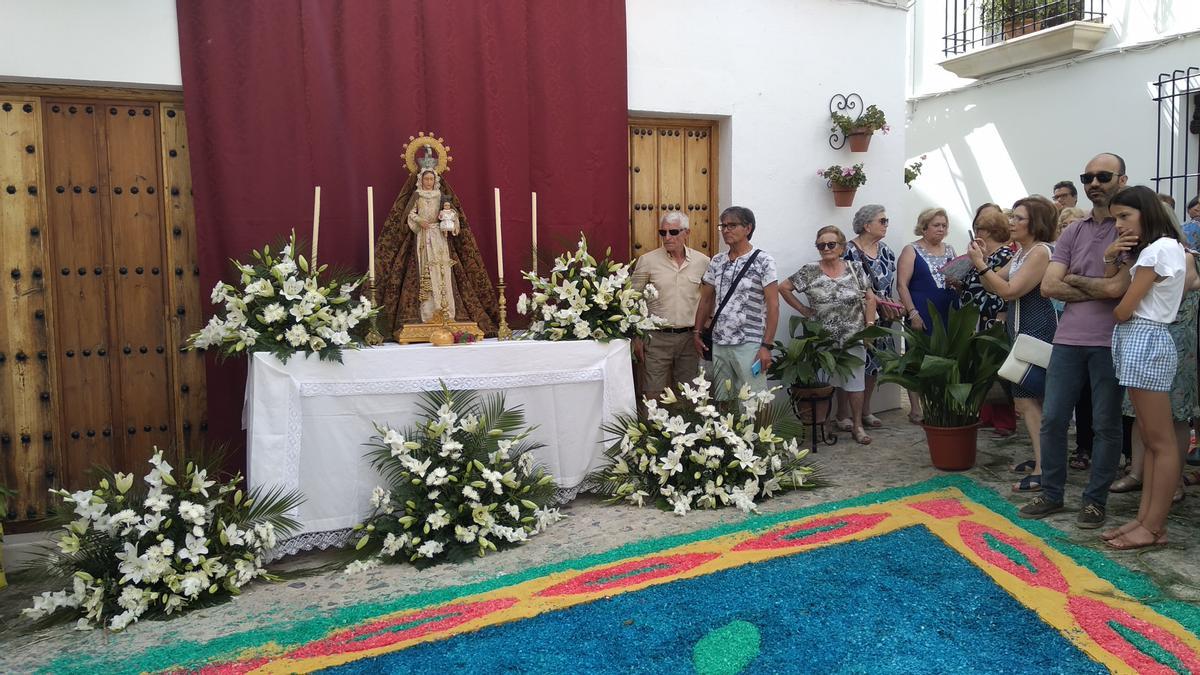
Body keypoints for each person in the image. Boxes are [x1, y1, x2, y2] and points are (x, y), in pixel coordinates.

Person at [1020, 153, 1129, 528]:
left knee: (1105, 425)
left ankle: (1095, 501)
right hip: (1067, 339)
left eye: (1103, 176)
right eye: (1088, 177)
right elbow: (1050, 286)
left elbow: (1122, 287)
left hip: (1110, 341)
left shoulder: (1129, 229)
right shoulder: (1073, 231)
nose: (1094, 183)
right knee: (1052, 420)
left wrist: (1080, 281)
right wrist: (1101, 286)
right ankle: (1051, 493)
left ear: (1122, 180)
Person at [1095, 186, 1188, 549]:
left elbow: (1121, 307)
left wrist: (1121, 302)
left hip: (1145, 339)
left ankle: (1153, 527)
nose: (1118, 224)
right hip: (1141, 340)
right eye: (1116, 217)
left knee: (1161, 442)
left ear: (1146, 214)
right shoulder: (1154, 250)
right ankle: (1145, 521)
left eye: (1124, 216)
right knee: (1150, 440)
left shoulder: (1159, 248)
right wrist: (1113, 261)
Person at [969, 197, 1057, 492]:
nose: (1011, 223)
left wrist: (981, 264)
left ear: (1036, 223)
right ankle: (1041, 460)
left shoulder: (1040, 252)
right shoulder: (1023, 253)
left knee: (1028, 400)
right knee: (1030, 400)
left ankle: (1045, 468)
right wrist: (982, 262)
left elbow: (1008, 291)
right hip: (1021, 329)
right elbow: (993, 282)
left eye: (1019, 218)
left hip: (1036, 329)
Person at [375, 163, 499, 335]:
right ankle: (427, 312)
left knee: (443, 270)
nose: (429, 181)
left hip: (440, 236)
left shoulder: (441, 195)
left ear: (436, 180)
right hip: (424, 237)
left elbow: (452, 213)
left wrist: (449, 220)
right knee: (426, 268)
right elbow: (409, 214)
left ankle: (446, 311)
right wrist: (420, 221)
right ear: (421, 180)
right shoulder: (417, 195)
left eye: (431, 178)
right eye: (426, 178)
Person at [781, 226, 878, 444]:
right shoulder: (810, 270)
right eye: (821, 245)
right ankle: (823, 425)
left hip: (853, 336)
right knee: (825, 384)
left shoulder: (855, 268)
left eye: (831, 244)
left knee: (855, 384)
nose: (826, 248)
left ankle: (857, 426)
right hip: (823, 340)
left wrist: (870, 326)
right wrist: (804, 311)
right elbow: (784, 288)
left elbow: (870, 298)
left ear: (842, 247)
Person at [693, 206, 779, 400]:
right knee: (725, 400)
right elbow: (706, 298)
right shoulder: (717, 261)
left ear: (748, 229)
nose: (725, 230)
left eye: (732, 225)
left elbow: (773, 305)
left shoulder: (763, 261)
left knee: (753, 400)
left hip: (749, 342)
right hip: (720, 341)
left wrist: (767, 346)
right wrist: (697, 332)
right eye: (723, 226)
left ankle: (756, 432)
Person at [632, 211, 711, 400]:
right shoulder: (647, 261)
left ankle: (687, 429)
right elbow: (633, 298)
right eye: (663, 232)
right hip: (656, 338)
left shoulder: (703, 262)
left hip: (690, 340)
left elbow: (710, 297)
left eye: (673, 232)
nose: (667, 237)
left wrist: (706, 326)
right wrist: (637, 335)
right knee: (652, 393)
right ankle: (651, 430)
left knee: (688, 394)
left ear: (687, 233)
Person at [896, 207, 957, 423]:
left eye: (944, 225)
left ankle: (939, 402)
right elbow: (902, 285)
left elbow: (958, 279)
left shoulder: (950, 250)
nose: (941, 229)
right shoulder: (911, 250)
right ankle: (916, 408)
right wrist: (913, 312)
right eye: (936, 225)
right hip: (922, 309)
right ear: (924, 227)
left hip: (947, 309)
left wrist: (956, 282)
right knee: (918, 358)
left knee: (944, 357)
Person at [843, 204, 900, 430]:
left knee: (873, 365)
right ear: (867, 225)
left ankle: (866, 410)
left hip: (881, 316)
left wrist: (891, 305)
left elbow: (889, 284)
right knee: (851, 364)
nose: (886, 225)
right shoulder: (848, 250)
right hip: (855, 315)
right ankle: (842, 413)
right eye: (882, 221)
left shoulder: (886, 251)